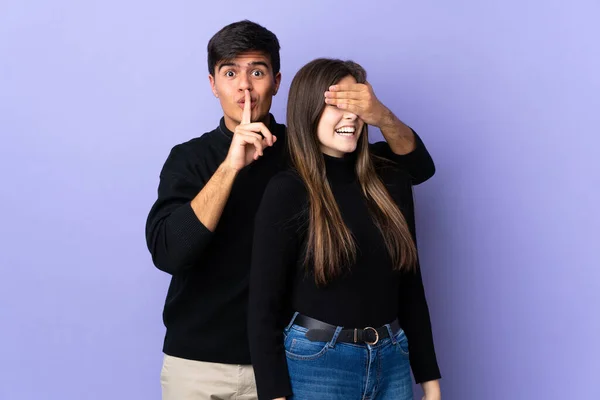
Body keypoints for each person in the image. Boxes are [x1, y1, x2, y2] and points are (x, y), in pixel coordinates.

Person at [146, 19, 434, 399]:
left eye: (258, 72)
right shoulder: (191, 159)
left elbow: (415, 169)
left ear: (277, 83)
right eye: (230, 72)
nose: (245, 86)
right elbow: (169, 252)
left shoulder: (304, 151)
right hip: (203, 363)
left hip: (291, 362)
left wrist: (381, 116)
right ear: (213, 84)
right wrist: (231, 166)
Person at [248, 58, 442, 400]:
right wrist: (274, 395)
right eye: (337, 104)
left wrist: (430, 382)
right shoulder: (288, 190)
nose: (351, 115)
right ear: (309, 110)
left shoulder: (390, 179)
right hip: (317, 363)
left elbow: (411, 287)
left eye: (357, 104)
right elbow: (263, 307)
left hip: (392, 361)